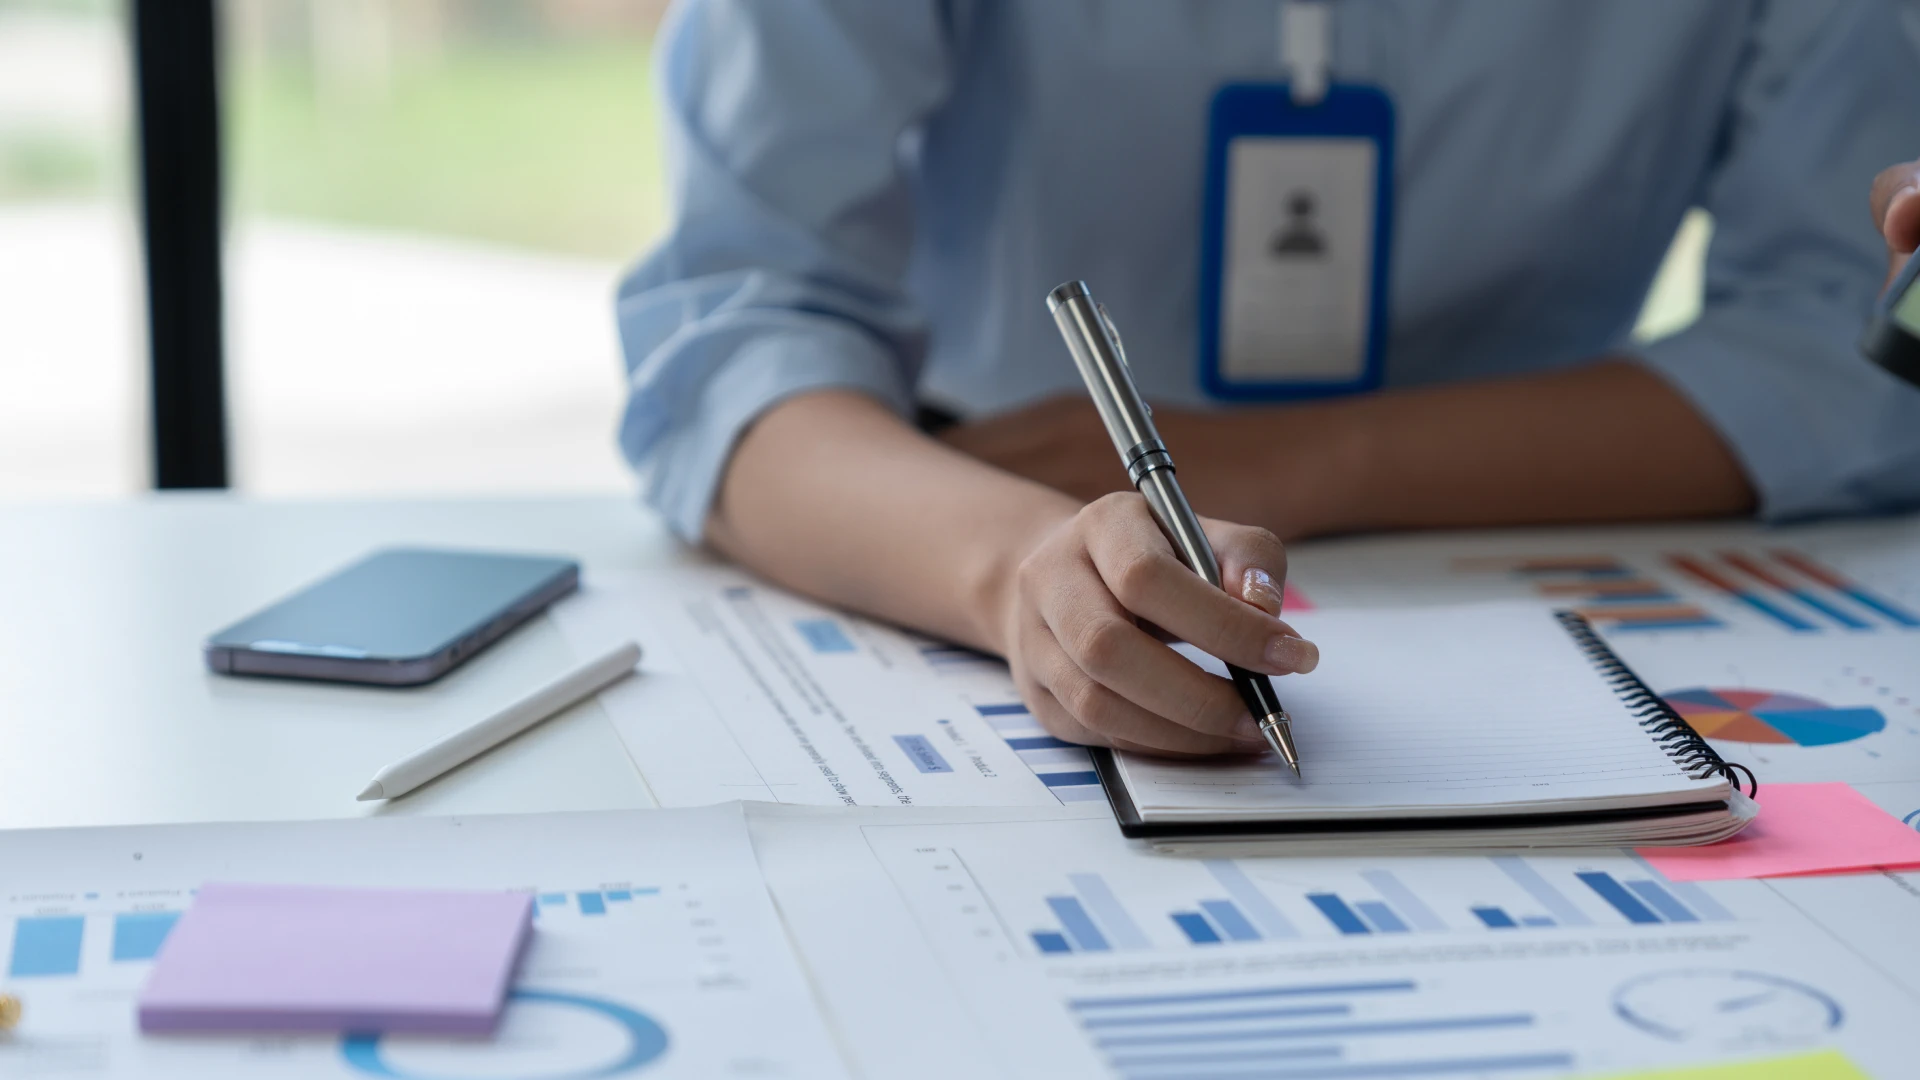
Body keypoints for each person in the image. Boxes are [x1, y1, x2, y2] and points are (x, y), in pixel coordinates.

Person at [615, 2, 1920, 757]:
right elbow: (737, 335)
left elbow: (1854, 335)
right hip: (969, 515)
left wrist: (1312, 459)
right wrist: (1024, 575)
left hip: (1558, 534)